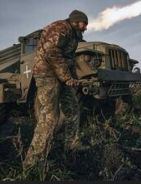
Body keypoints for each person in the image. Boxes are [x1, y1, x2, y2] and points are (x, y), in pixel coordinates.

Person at [23, 10, 89, 168]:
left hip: (61, 76)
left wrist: (73, 78)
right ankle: (33, 161)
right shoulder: (60, 28)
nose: (86, 27)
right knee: (49, 117)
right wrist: (67, 77)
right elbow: (52, 52)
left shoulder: (73, 35)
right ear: (75, 21)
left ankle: (72, 144)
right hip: (47, 75)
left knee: (73, 109)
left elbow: (69, 59)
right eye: (84, 23)